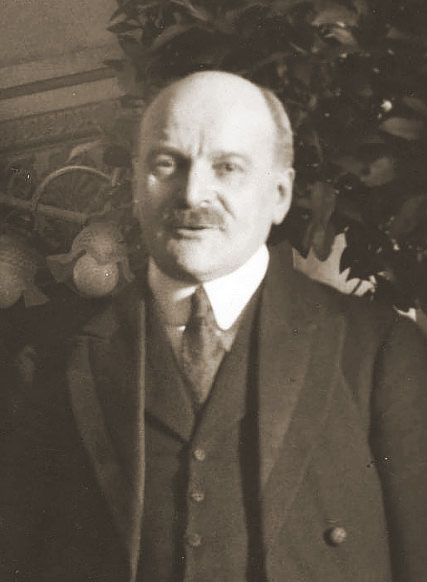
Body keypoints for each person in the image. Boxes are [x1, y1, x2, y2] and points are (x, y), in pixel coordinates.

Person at [1, 70, 427, 582]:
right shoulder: (45, 363)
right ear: (136, 187)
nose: (193, 193)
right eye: (167, 164)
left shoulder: (381, 354)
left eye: (227, 167)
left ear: (280, 194)